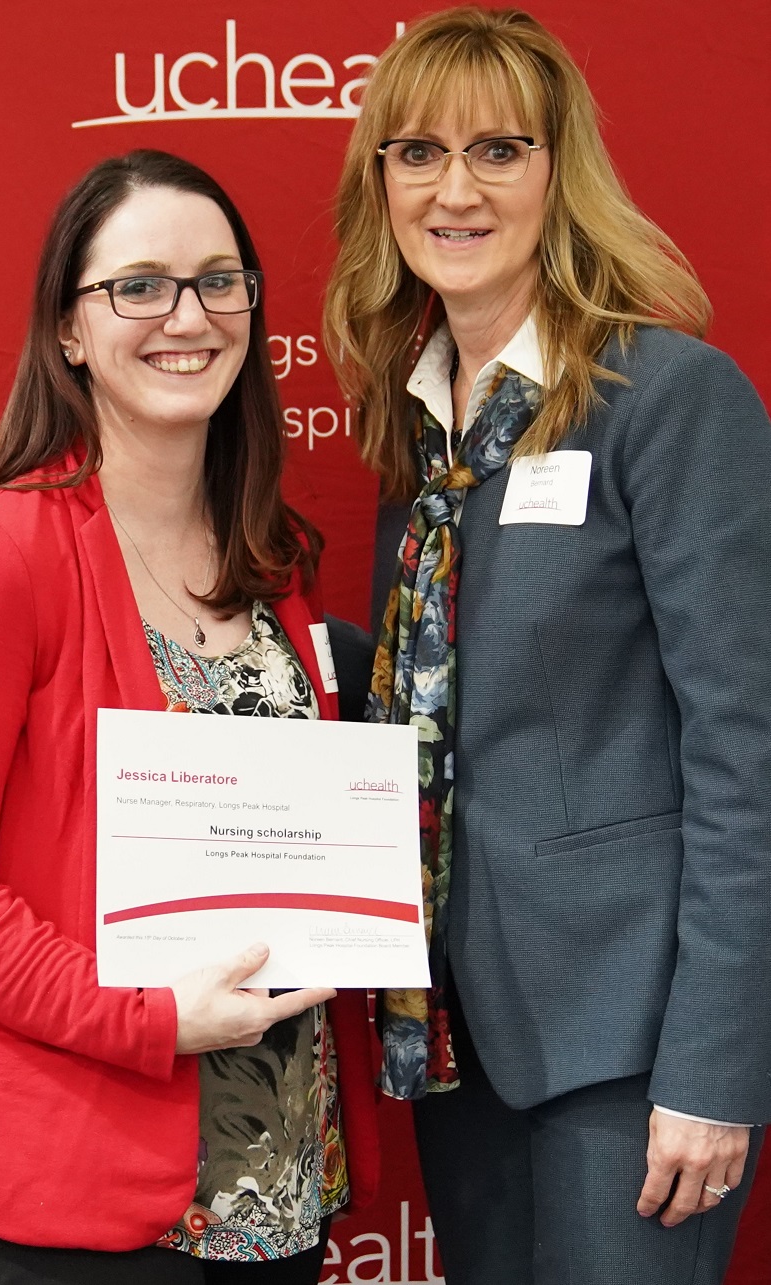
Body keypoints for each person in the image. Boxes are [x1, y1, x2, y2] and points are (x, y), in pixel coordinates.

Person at [0, 149, 378, 1285]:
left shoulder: (273, 559)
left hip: (278, 1172)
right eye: (138, 285)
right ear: (68, 329)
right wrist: (142, 1014)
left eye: (216, 280)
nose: (184, 315)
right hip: (86, 1180)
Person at [324, 7, 771, 1283]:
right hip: (459, 1033)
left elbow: (747, 751)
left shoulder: (669, 399)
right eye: (415, 153)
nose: (452, 190)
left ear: (556, 172)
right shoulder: (421, 422)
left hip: (630, 1048)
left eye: (497, 151)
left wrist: (713, 1067)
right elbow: (442, 695)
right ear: (381, 185)